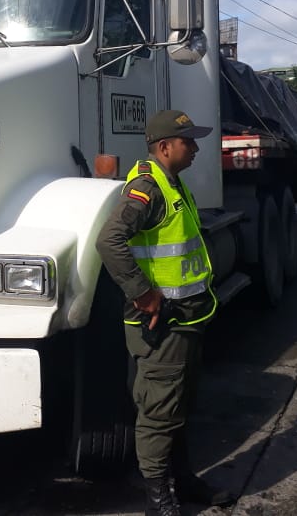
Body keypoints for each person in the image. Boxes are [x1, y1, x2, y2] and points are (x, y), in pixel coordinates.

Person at [96, 110, 235, 516]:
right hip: (162, 325)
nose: (195, 148)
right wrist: (143, 294)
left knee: (178, 406)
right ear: (164, 147)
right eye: (188, 141)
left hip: (186, 321)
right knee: (158, 413)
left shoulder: (173, 184)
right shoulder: (147, 188)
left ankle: (183, 480)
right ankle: (158, 499)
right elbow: (110, 241)